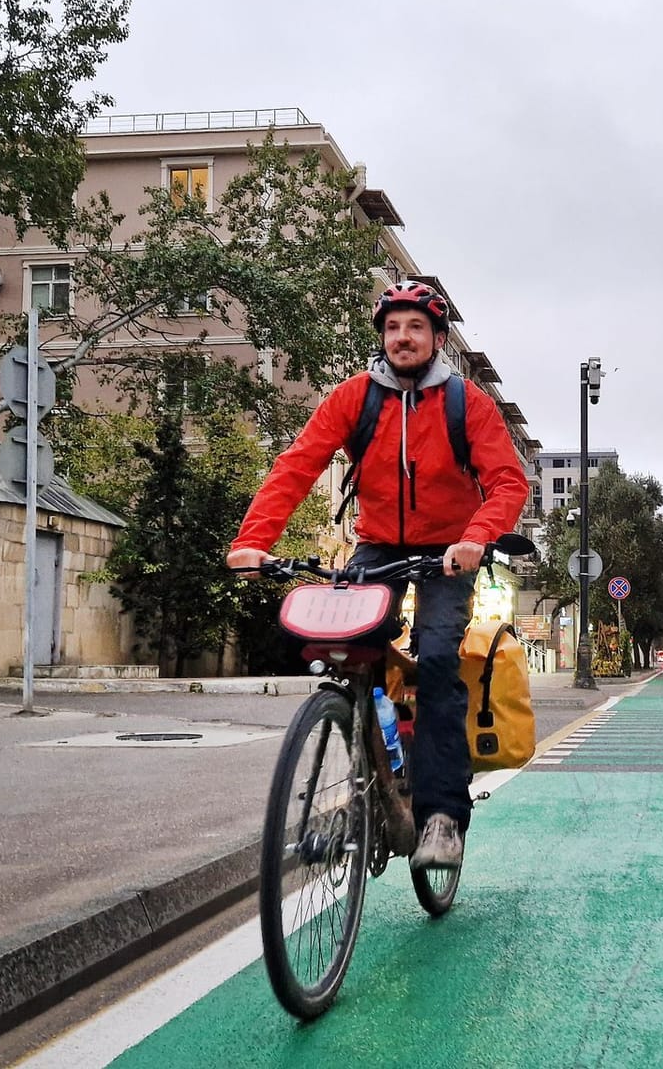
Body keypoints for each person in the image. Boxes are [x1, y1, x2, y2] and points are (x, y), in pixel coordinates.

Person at [226, 280, 528, 870]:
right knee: (346, 646)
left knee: (439, 657)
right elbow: (297, 465)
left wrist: (475, 538)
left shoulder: (468, 403)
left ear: (438, 339)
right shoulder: (354, 398)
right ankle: (374, 767)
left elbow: (508, 482)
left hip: (450, 551)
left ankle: (442, 816)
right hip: (377, 544)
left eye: (416, 327)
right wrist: (253, 543)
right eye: (393, 328)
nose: (403, 337)